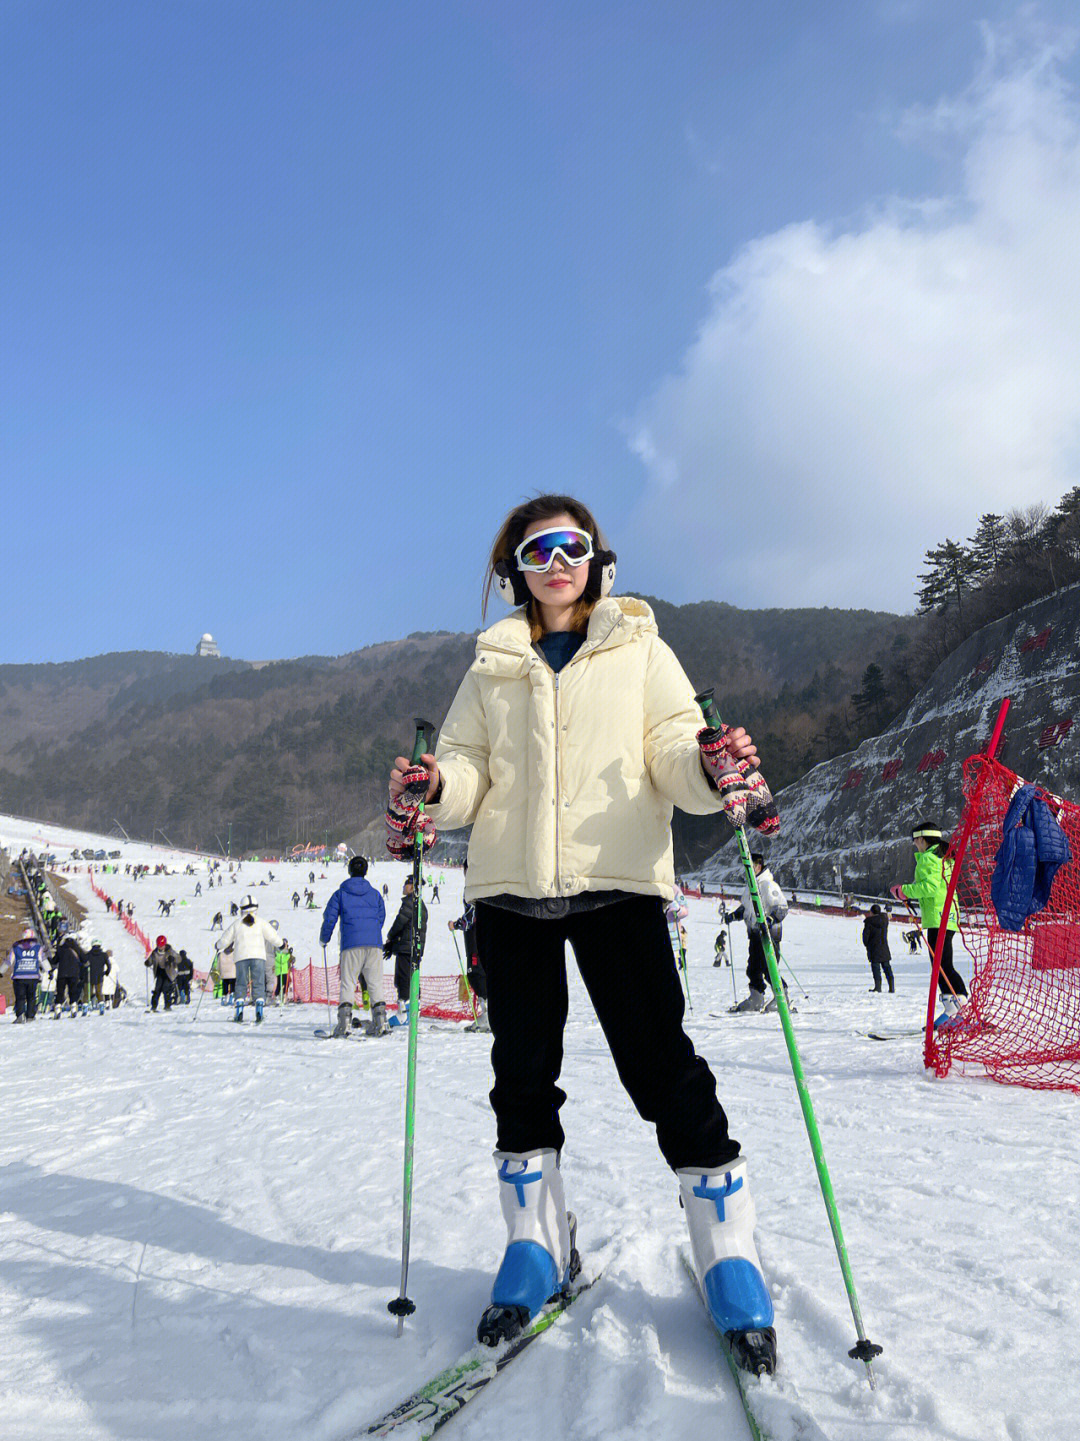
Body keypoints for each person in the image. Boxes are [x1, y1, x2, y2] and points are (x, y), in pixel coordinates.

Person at [386, 493, 776, 1372]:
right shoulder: (490, 664)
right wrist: (433, 789)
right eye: (535, 552)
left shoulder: (641, 646)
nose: (555, 562)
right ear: (512, 572)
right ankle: (534, 1242)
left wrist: (712, 766)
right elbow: (468, 770)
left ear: (597, 556)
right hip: (511, 893)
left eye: (570, 546)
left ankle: (727, 1246)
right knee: (520, 1072)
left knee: (660, 1066)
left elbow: (675, 754)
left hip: (618, 887)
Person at [896, 821, 967, 1017]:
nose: (914, 845)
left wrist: (904, 891)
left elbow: (930, 888)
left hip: (938, 917)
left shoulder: (928, 858)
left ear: (921, 839)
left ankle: (959, 1007)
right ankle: (954, 1007)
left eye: (915, 841)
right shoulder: (944, 857)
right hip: (948, 915)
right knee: (944, 964)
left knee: (941, 965)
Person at [320, 856, 387, 1036]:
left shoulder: (340, 893)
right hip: (374, 944)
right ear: (366, 871)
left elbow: (330, 918)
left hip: (351, 944)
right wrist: (371, 932)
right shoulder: (374, 894)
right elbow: (381, 916)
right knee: (375, 984)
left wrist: (324, 938)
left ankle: (344, 1025)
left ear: (349, 871)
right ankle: (381, 1023)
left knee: (348, 983)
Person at [725, 853, 789, 1013]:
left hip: (768, 935)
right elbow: (747, 908)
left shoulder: (768, 884)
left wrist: (770, 919)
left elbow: (782, 907)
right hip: (754, 934)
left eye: (751, 867)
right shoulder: (751, 886)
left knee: (769, 968)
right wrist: (733, 916)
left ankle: (782, 997)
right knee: (753, 968)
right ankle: (757, 997)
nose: (748, 871)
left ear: (758, 866)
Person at [214, 895, 282, 1023]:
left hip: (241, 957)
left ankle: (239, 1012)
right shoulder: (261, 922)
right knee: (259, 983)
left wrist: (218, 945)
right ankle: (259, 1012)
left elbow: (225, 939)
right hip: (258, 957)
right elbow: (273, 936)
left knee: (241, 983)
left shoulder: (237, 924)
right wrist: (281, 945)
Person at [449, 862, 488, 1031]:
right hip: (484, 935)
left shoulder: (473, 887)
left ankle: (487, 1015)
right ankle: (488, 1014)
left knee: (475, 973)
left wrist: (457, 924)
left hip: (476, 935)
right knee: (479, 972)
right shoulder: (482, 885)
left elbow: (472, 915)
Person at [383, 877, 426, 1028]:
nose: (403, 886)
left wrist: (390, 937)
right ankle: (412, 1011)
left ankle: (404, 1013)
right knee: (410, 977)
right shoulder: (419, 903)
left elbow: (399, 923)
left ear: (413, 887)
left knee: (403, 978)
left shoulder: (410, 902)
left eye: (406, 884)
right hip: (413, 947)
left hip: (407, 948)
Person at [3, 927, 49, 1022]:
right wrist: (50, 970)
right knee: (31, 997)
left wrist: (1, 971)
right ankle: (30, 1016)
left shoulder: (16, 948)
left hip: (19, 977)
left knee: (20, 997)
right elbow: (43, 960)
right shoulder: (37, 948)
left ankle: (20, 1015)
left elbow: (9, 961)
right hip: (33, 977)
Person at [49, 932, 86, 1016]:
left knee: (60, 991)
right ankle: (73, 1007)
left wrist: (48, 958)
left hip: (62, 973)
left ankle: (58, 1008)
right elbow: (84, 959)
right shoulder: (77, 948)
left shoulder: (60, 949)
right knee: (73, 991)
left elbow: (54, 961)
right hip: (74, 973)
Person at [861, 905, 894, 993]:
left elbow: (865, 938)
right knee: (887, 967)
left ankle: (878, 987)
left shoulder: (869, 923)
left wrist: (867, 944)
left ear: (871, 912)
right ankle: (891, 987)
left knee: (876, 968)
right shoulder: (884, 920)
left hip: (873, 948)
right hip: (884, 947)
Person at [146, 936, 179, 1011]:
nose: (160, 948)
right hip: (160, 973)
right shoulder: (155, 952)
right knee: (157, 989)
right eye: (159, 946)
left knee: (166, 989)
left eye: (162, 946)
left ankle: (167, 1006)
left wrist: (173, 959)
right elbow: (151, 959)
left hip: (169, 973)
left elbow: (178, 958)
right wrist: (148, 962)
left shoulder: (170, 951)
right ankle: (153, 1006)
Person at [85, 939, 113, 1012]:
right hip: (99, 976)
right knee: (99, 992)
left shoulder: (88, 955)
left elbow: (83, 964)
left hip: (89, 976)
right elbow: (109, 965)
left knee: (88, 992)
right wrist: (106, 972)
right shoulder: (104, 955)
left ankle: (86, 1007)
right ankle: (101, 1005)